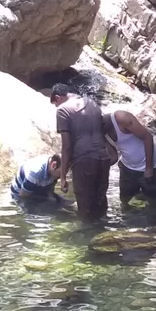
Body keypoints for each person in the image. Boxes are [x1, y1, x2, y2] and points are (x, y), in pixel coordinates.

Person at [50, 84, 111, 221]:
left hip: (84, 160)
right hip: (103, 157)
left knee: (84, 203)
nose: (56, 106)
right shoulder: (91, 102)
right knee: (100, 199)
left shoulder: (62, 110)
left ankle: (86, 237)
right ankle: (105, 234)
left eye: (55, 103)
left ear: (57, 98)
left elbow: (66, 146)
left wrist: (63, 176)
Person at [104, 107, 156, 205]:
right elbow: (113, 157)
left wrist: (149, 169)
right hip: (127, 169)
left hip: (149, 166)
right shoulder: (101, 133)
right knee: (125, 201)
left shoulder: (121, 118)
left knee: (154, 203)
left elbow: (147, 137)